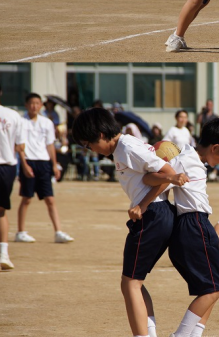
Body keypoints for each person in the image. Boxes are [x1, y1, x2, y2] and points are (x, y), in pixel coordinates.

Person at [71, 107, 185, 337]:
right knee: (134, 282)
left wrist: (142, 204)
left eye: (88, 144)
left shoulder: (127, 147)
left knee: (130, 284)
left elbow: (169, 174)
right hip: (156, 215)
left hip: (154, 214)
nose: (90, 150)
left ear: (100, 135)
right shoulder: (122, 148)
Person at [142, 117, 219, 337]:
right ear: (215, 148)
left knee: (211, 287)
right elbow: (157, 180)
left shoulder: (191, 158)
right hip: (194, 225)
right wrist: (142, 204)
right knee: (213, 290)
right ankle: (180, 335)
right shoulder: (186, 159)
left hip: (193, 225)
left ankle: (194, 334)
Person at [16, 93, 74, 244]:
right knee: (27, 198)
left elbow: (50, 145)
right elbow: (19, 146)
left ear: (41, 105)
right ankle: (20, 232)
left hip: (44, 163)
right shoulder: (20, 122)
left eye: (37, 103)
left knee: (50, 199)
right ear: (26, 105)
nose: (34, 106)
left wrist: (54, 165)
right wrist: (24, 164)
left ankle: (58, 232)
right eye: (31, 103)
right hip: (28, 161)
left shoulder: (47, 123)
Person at [0, 85, 26, 270]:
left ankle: (3, 254)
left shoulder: (13, 115)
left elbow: (20, 146)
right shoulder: (14, 115)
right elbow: (20, 145)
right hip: (7, 167)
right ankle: (3, 254)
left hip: (6, 166)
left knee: (0, 210)